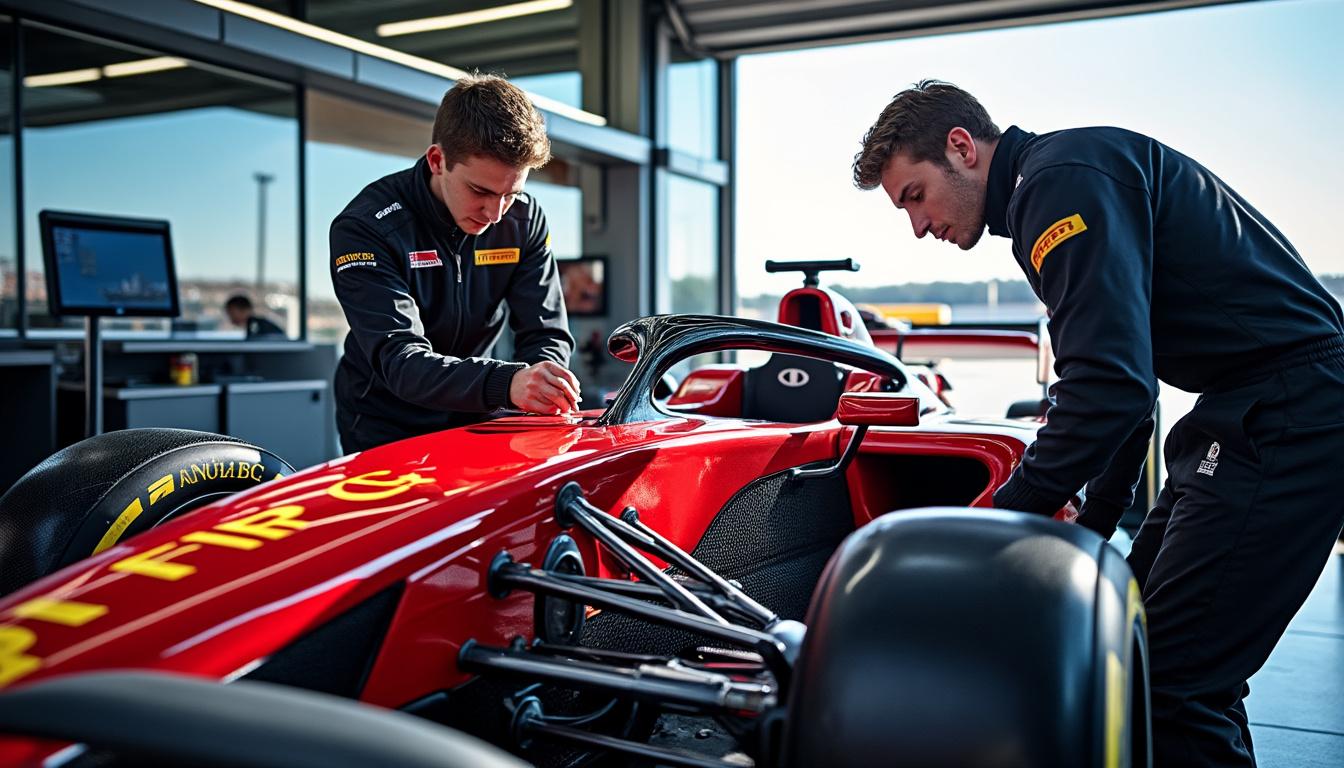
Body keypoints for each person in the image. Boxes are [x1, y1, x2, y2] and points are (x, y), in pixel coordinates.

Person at [853, 80, 1344, 766]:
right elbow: (1124, 385)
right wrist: (1093, 525)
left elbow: (1110, 388)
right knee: (1136, 637)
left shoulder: (1057, 187)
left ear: (961, 148)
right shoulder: (1056, 183)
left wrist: (998, 520)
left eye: (915, 196)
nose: (917, 225)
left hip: (1289, 411)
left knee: (1173, 679)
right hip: (1247, 408)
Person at [330, 73, 578, 452]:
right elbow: (402, 361)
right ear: (437, 160)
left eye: (511, 193)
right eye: (480, 190)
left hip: (478, 413)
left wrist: (545, 384)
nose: (495, 213)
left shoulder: (523, 221)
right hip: (385, 421)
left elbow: (545, 334)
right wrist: (507, 383)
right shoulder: (366, 227)